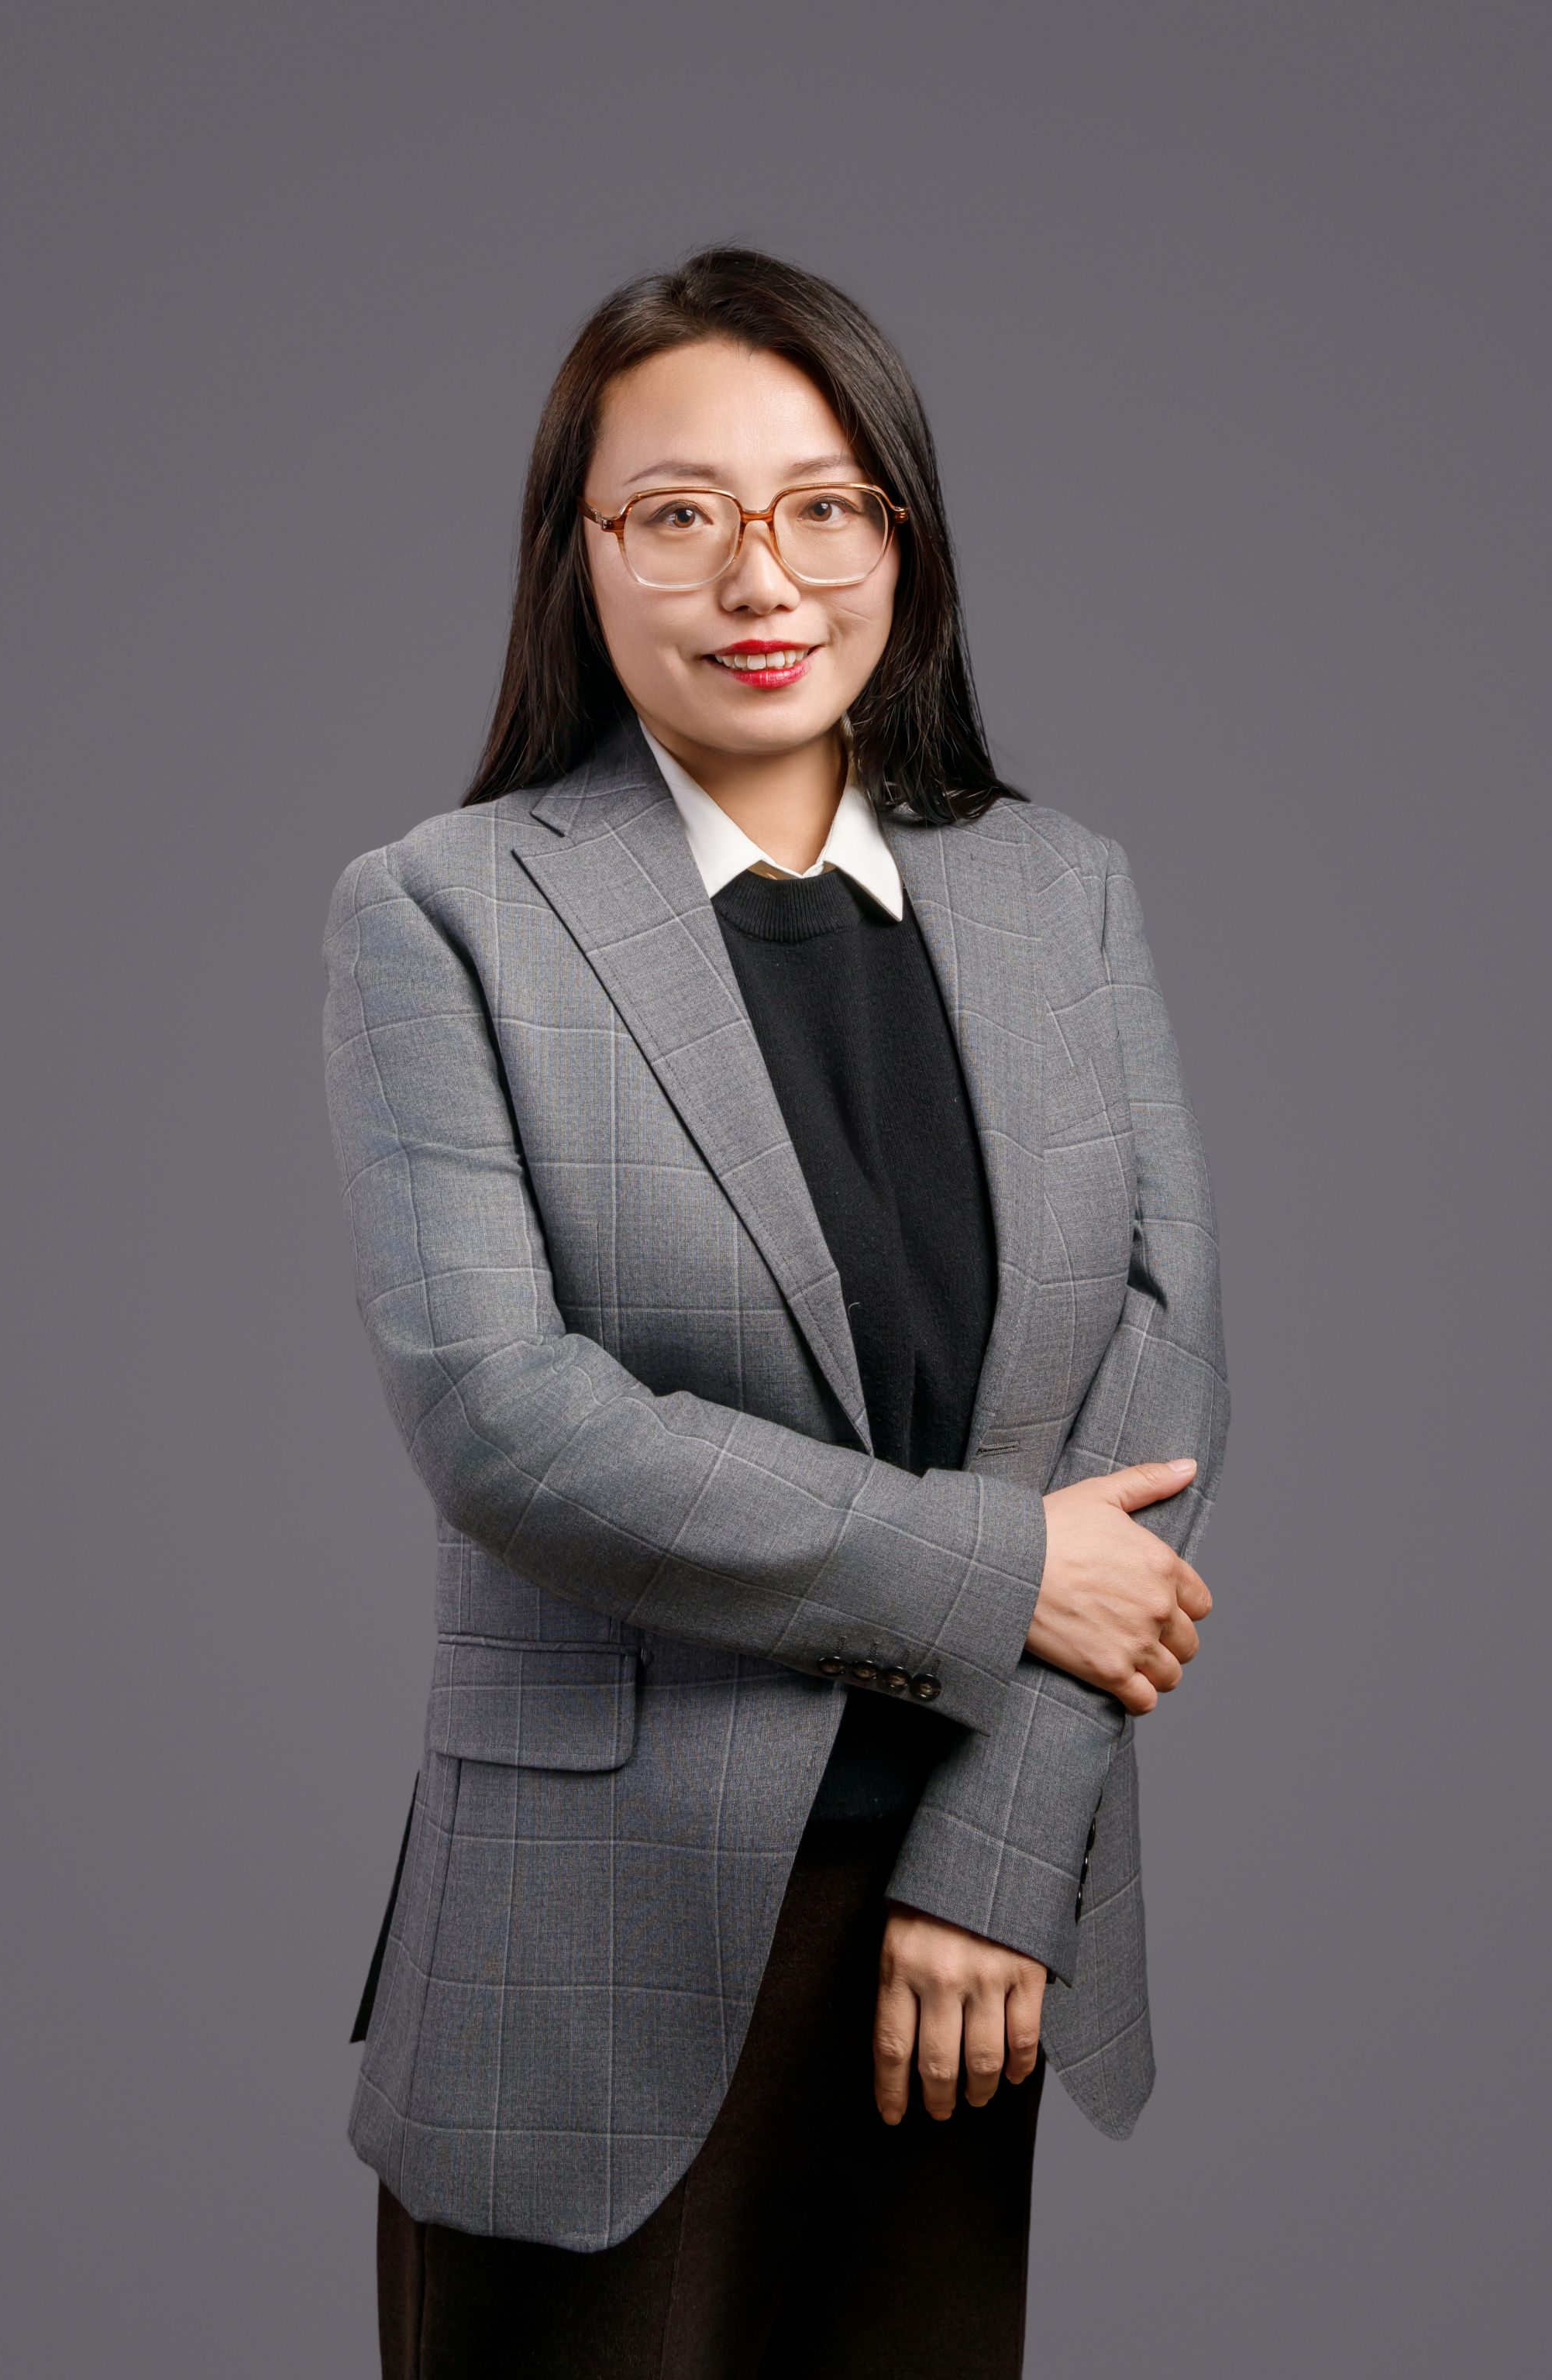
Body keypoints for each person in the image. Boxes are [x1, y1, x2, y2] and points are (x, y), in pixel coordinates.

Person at [322, 246, 1229, 2380]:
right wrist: (1001, 1568)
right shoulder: (445, 912)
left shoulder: (1060, 891)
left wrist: (1000, 1854)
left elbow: (1160, 1361)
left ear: (901, 536)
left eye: (825, 505)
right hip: (586, 1934)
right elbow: (507, 1421)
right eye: (679, 511)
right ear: (578, 552)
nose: (764, 575)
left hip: (970, 1922)